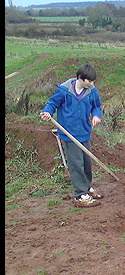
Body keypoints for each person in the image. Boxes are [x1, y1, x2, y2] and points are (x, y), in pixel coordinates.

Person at [40, 63, 103, 208]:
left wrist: (96, 116)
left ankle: (87, 187)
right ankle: (80, 195)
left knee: (87, 163)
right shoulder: (64, 90)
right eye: (89, 81)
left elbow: (96, 106)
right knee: (76, 164)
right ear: (80, 78)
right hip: (69, 133)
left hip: (84, 132)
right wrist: (48, 111)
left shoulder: (92, 91)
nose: (91, 84)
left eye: (93, 81)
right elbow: (52, 103)